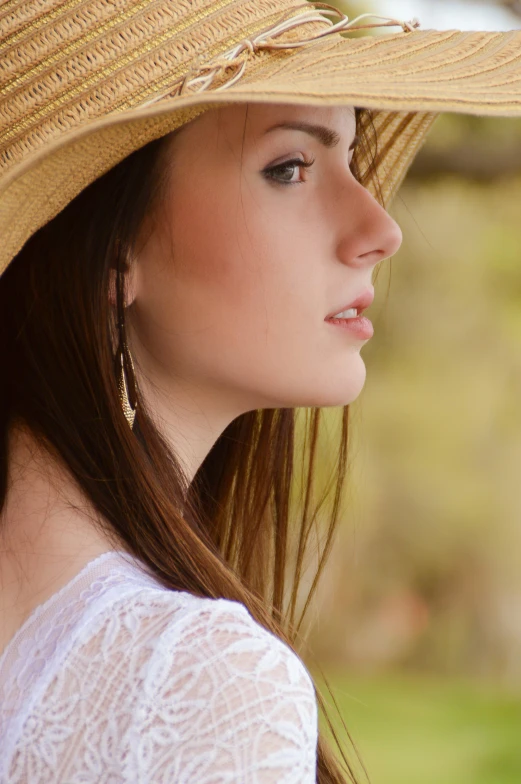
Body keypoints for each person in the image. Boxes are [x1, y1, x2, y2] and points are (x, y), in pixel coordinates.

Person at [0, 1, 520, 782]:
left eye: (349, 158)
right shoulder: (197, 679)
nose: (380, 227)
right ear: (111, 252)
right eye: (289, 167)